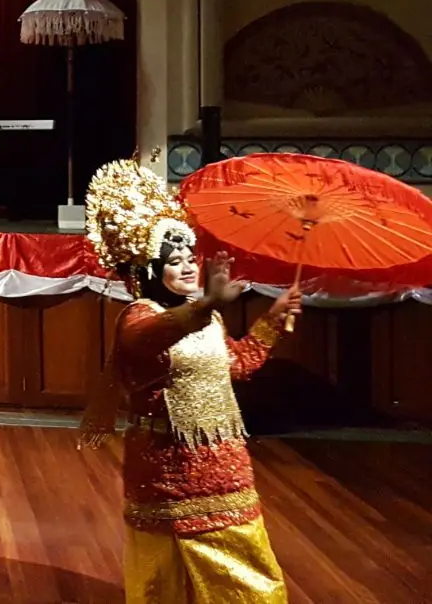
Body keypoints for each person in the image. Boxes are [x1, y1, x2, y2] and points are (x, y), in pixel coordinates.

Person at [81, 157, 302, 603]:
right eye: (174, 261)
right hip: (167, 468)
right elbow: (152, 335)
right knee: (161, 576)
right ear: (147, 272)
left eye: (190, 258)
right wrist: (203, 306)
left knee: (249, 569)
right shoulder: (140, 318)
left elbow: (234, 366)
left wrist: (272, 321)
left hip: (224, 461)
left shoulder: (207, 316)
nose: (187, 268)